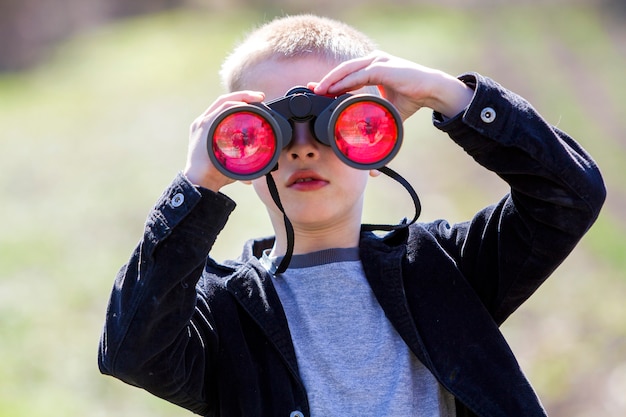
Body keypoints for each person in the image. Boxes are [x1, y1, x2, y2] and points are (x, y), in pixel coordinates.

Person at [98, 14, 606, 417]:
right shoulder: (225, 310)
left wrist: (450, 95)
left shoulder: (442, 270)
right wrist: (198, 185)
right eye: (264, 133)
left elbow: (568, 196)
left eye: (336, 124)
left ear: (380, 145)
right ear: (240, 159)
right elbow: (132, 352)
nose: (302, 149)